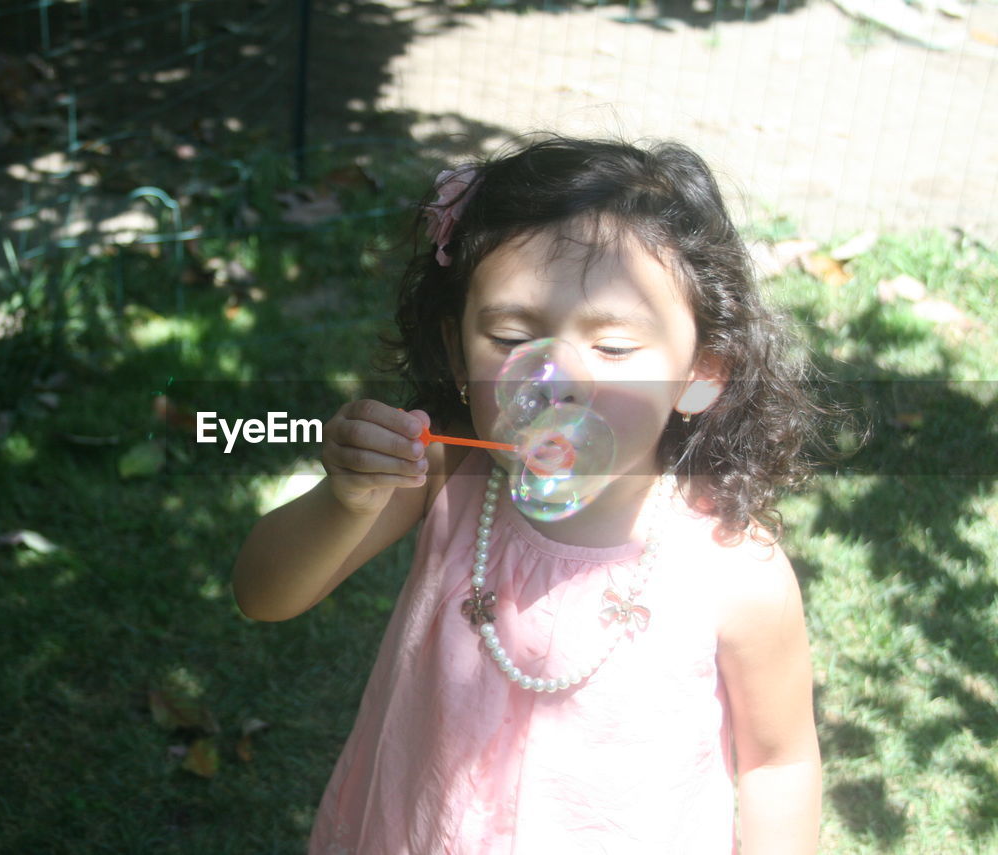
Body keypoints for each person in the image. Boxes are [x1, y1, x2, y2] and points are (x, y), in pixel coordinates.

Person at [233, 136, 823, 854]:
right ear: (456, 352)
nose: (557, 379)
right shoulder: (447, 473)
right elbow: (263, 592)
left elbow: (778, 763)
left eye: (613, 347)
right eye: (512, 335)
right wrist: (346, 499)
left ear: (702, 371)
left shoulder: (735, 572)